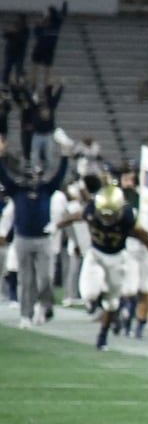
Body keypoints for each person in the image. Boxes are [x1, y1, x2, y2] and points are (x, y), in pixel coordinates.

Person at [57, 185, 148, 351]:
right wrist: (57, 224)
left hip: (117, 258)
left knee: (112, 303)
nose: (107, 219)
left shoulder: (128, 218)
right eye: (104, 214)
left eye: (111, 214)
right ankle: (99, 301)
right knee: (89, 294)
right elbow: (77, 216)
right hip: (95, 255)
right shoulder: (91, 210)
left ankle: (103, 335)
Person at [0, 133, 70, 325]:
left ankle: (44, 307)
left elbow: (61, 173)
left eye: (36, 175)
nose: (33, 179)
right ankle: (25, 315)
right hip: (23, 238)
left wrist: (65, 153)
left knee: (45, 278)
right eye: (30, 175)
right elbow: (2, 174)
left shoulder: (46, 189)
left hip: (43, 238)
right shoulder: (17, 189)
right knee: (26, 279)